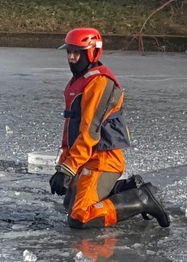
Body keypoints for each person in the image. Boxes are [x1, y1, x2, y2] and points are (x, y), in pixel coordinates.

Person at [49, 27, 170, 229]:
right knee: (69, 206)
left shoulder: (99, 83)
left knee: (80, 217)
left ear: (92, 52)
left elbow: (89, 132)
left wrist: (68, 169)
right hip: (87, 158)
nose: (71, 57)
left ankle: (141, 199)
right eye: (69, 52)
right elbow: (69, 130)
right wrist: (63, 166)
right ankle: (127, 188)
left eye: (77, 52)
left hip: (103, 160)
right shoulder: (77, 83)